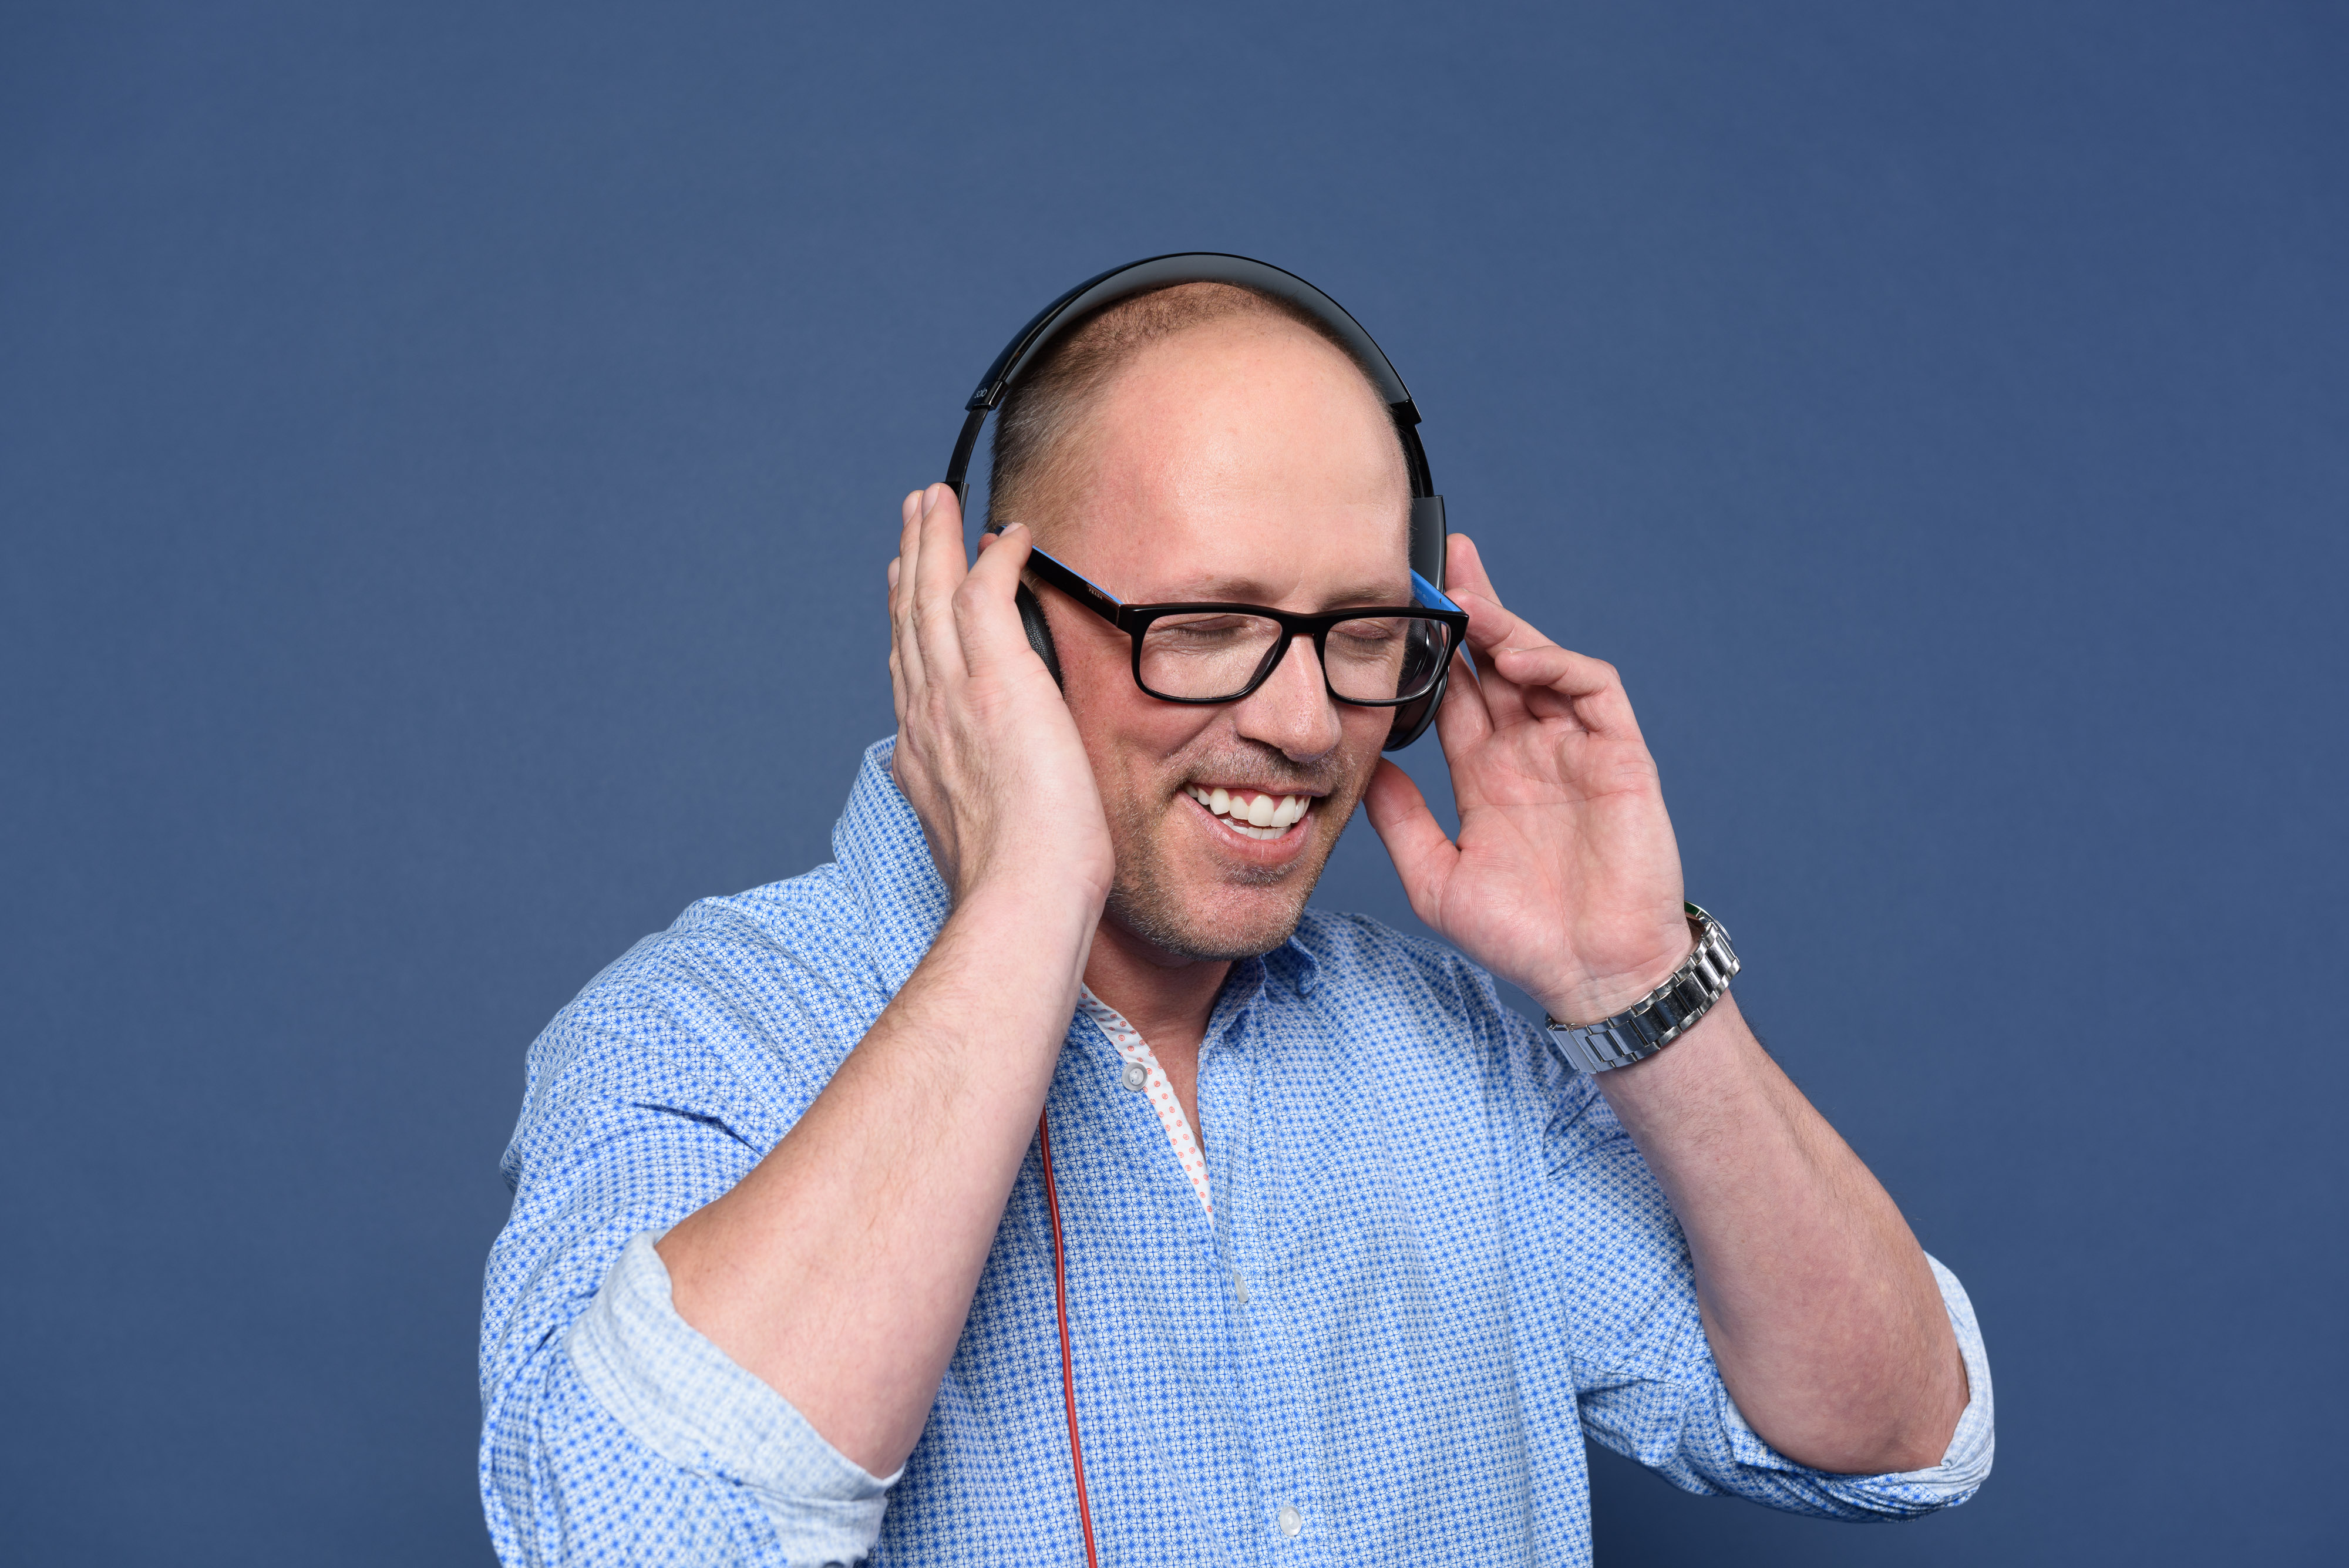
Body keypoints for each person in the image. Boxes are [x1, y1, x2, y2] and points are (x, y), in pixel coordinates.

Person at [479, 273, 1993, 1566]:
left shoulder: (1458, 1055)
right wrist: (1025, 903)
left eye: (1358, 633)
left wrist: (1634, 980)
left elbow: (1892, 1435)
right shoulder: (699, 1032)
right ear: (991, 629)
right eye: (1203, 626)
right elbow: (636, 1537)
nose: (1303, 722)